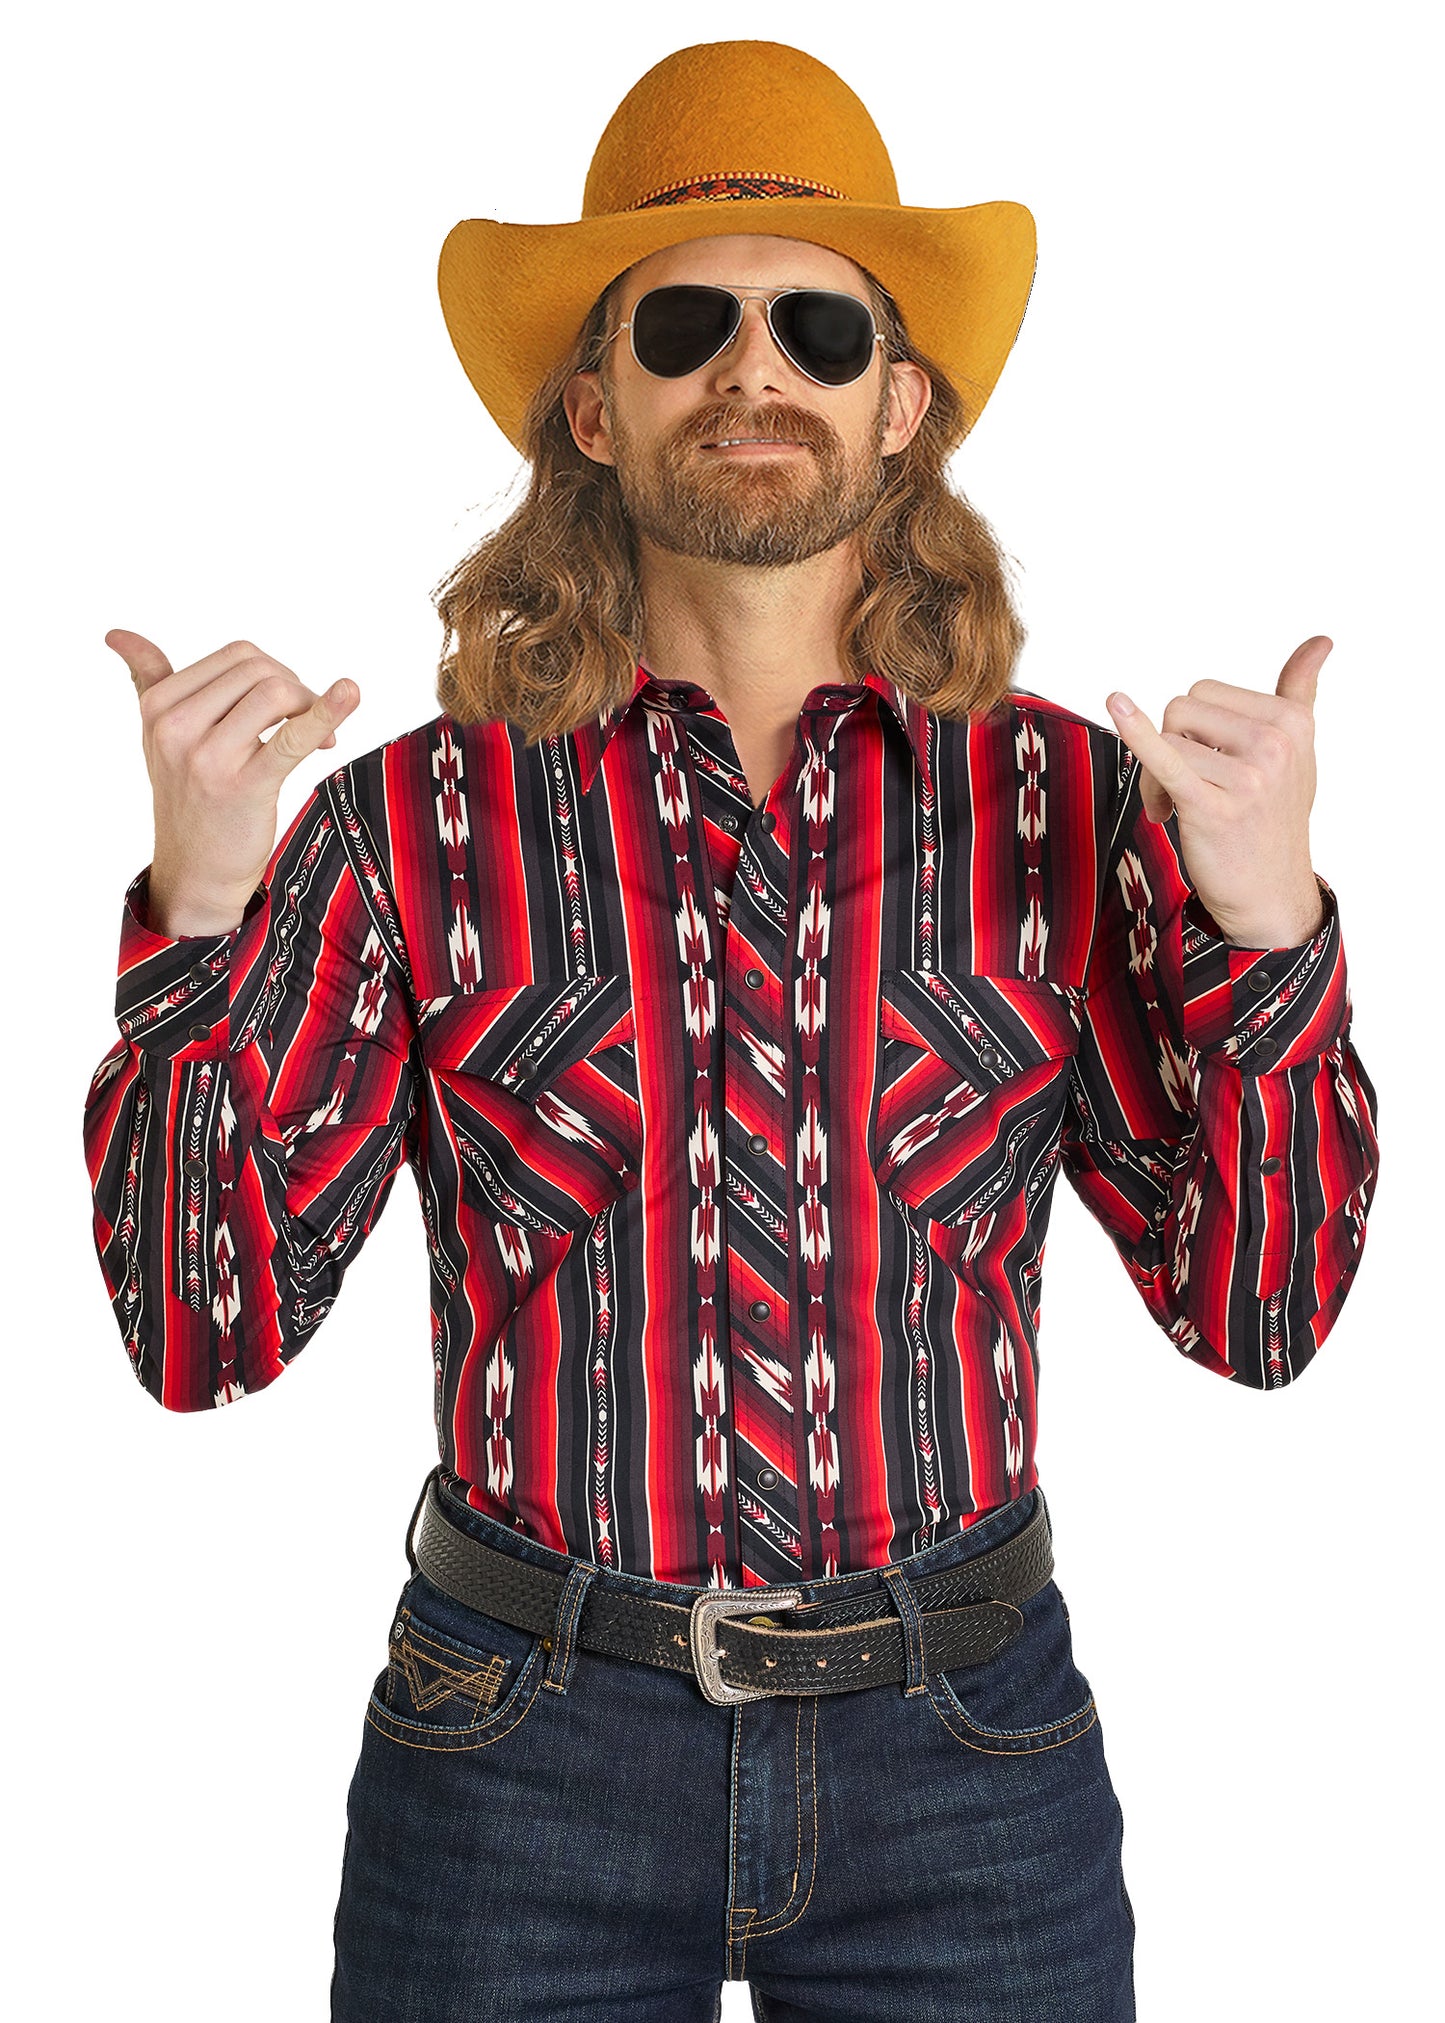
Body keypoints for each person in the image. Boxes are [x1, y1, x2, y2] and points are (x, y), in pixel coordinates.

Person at [83, 38, 1380, 2023]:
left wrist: (1269, 921)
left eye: (817, 326)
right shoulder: (410, 826)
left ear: (904, 402)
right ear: (593, 406)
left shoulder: (1066, 809)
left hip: (965, 1757)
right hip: (518, 1750)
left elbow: (1262, 1315)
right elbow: (203, 1333)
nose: (753, 368)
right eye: (687, 323)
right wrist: (194, 911)